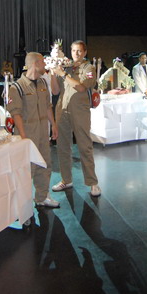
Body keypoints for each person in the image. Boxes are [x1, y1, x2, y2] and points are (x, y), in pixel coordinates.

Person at [7, 52, 60, 208]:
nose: (45, 65)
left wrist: (53, 124)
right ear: (35, 64)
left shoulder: (43, 83)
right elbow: (15, 113)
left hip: (42, 130)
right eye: (43, 62)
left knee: (44, 163)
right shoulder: (17, 87)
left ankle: (42, 197)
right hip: (27, 131)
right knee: (26, 167)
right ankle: (22, 203)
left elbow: (48, 106)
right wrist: (23, 136)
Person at [51, 41, 101, 197]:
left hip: (80, 111)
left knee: (85, 146)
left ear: (85, 52)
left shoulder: (88, 68)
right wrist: (53, 73)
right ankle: (66, 179)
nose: (76, 54)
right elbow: (55, 91)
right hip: (62, 110)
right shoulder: (66, 67)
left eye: (79, 51)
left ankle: (93, 183)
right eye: (73, 51)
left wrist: (63, 74)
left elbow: (81, 87)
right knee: (62, 147)